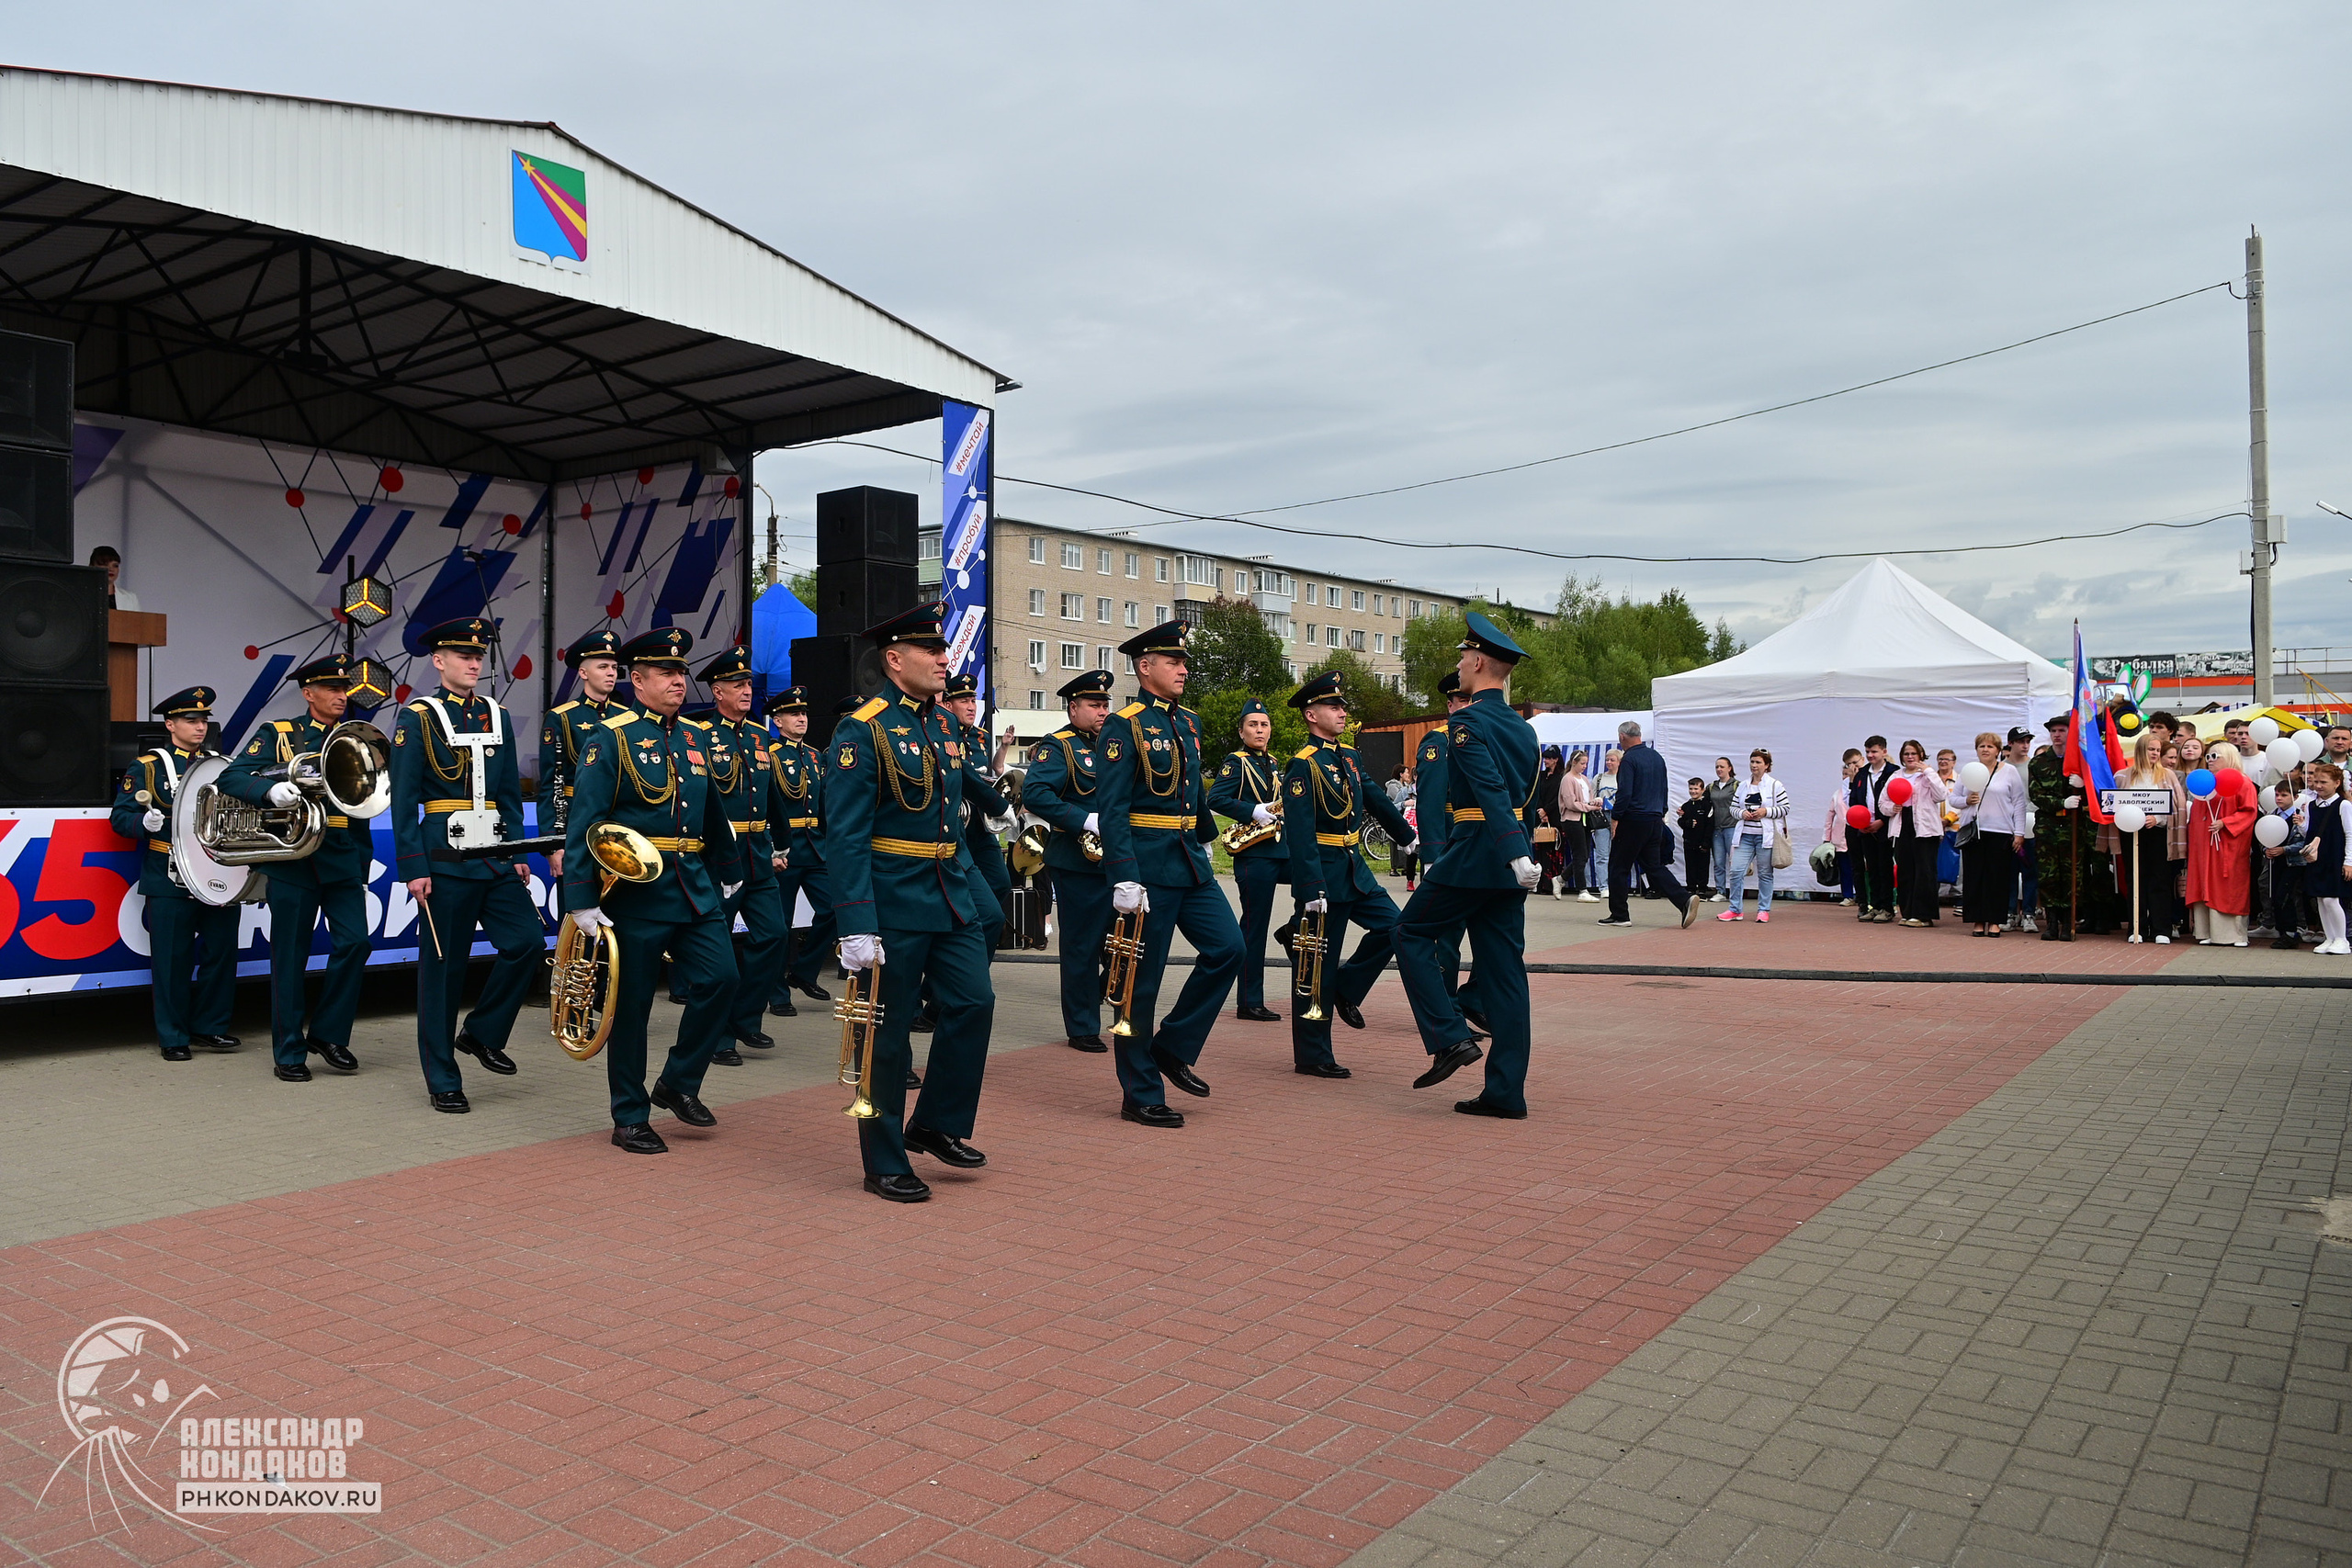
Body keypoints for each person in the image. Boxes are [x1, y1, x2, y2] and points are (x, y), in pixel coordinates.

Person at [820, 604, 999, 1200]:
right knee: (888, 1032)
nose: (946, 659)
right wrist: (855, 922)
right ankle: (884, 1158)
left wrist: (1005, 811)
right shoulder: (862, 729)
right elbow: (843, 834)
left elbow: (958, 799)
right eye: (932, 651)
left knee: (975, 1001)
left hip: (949, 892)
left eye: (945, 650)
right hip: (891, 899)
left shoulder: (946, 726)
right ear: (895, 660)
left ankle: (938, 1122)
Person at [560, 626, 747, 1155]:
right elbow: (585, 821)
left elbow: (711, 809)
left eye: (681, 672)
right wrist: (581, 897)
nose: (678, 681)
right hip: (635, 889)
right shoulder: (611, 737)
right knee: (633, 1008)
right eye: (666, 673)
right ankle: (630, 1116)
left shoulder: (693, 735)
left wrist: (729, 866)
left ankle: (678, 1081)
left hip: (693, 885)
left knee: (723, 980)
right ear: (636, 681)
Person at [1093, 622, 1245, 1129]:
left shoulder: (1191, 722)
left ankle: (1172, 1046)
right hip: (1146, 867)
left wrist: (1209, 834)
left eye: (1184, 661)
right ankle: (1140, 1092)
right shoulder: (1125, 724)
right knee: (1141, 982)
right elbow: (1112, 808)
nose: (1184, 669)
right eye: (1172, 661)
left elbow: (1194, 794)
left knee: (1230, 948)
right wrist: (1123, 876)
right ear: (1144, 668)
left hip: (1188, 859)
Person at [390, 618, 542, 1111]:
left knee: (525, 945)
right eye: (462, 655)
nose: (474, 662)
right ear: (438, 661)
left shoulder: (497, 714)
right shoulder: (419, 717)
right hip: (444, 860)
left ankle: (480, 1033)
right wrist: (413, 865)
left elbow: (508, 795)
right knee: (442, 973)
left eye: (478, 655)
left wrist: (517, 852)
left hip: (494, 859)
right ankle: (443, 1079)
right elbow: (404, 799)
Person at [1393, 612, 1541, 1118]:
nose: (1458, 665)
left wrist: (1512, 849)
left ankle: (1449, 1036)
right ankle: (1505, 1093)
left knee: (1409, 932)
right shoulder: (1523, 729)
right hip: (1506, 860)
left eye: (1461, 657)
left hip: (1478, 850)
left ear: (1478, 662)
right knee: (1505, 975)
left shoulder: (1466, 724)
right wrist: (1521, 851)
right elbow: (1524, 796)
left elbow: (1492, 793)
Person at [220, 653, 372, 1083]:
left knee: (356, 944)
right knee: (290, 959)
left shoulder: (351, 738)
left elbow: (361, 803)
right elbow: (231, 778)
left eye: (344, 689)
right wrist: (271, 791)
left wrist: (361, 864)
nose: (342, 696)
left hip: (341, 855)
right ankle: (289, 1051)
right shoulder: (280, 733)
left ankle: (327, 1034)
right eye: (332, 689)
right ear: (309, 694)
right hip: (294, 859)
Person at [1281, 671, 1416, 1079]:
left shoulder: (1350, 757)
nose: (1342, 713)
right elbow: (1300, 835)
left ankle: (1345, 989)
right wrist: (1309, 888)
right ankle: (1312, 1053)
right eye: (1333, 706)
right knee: (1316, 962)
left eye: (1342, 706)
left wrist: (1407, 836)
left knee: (1397, 927)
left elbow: (1374, 797)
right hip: (1323, 873)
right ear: (1311, 714)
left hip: (1355, 868)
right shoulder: (1302, 765)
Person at [113, 685, 240, 1061]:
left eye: (204, 720)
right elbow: (119, 818)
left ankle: (211, 1028)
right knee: (172, 959)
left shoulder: (223, 765)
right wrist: (144, 823)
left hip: (218, 868)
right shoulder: (149, 766)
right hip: (168, 870)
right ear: (170, 724)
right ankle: (173, 1036)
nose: (200, 727)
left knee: (221, 952)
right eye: (191, 720)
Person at [694, 646, 784, 1062]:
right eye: (737, 685)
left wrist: (780, 844)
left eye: (748, 684)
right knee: (719, 948)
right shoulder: (698, 735)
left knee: (774, 936)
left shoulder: (760, 737)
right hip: (719, 858)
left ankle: (745, 1019)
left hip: (757, 855)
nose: (746, 691)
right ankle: (718, 1037)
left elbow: (773, 797)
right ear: (717, 691)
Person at [1022, 669, 1115, 1051]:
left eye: (1106, 704)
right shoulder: (1057, 746)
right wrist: (1084, 819)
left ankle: (1096, 992)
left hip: (1117, 857)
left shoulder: (1113, 743)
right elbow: (1036, 794)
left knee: (1125, 939)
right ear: (1073, 707)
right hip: (1077, 859)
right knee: (1082, 944)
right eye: (1094, 704)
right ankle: (1082, 1027)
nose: (1103, 711)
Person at [1208, 697, 1288, 1022]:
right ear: (1242, 732)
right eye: (1253, 725)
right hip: (1254, 854)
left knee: (1319, 888)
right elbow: (1216, 798)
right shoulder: (1236, 761)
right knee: (1255, 927)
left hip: (1281, 850)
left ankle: (1292, 931)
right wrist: (1253, 811)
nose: (1259, 730)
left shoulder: (1274, 762)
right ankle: (1250, 1000)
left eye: (1264, 724)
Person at [760, 687, 833, 1018]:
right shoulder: (770, 754)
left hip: (816, 846)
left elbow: (822, 805)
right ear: (778, 720)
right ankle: (777, 994)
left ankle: (803, 973)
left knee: (835, 909)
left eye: (803, 714)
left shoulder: (815, 756)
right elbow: (763, 806)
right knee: (781, 925)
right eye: (794, 714)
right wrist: (770, 846)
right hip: (784, 848)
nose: (802, 719)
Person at [537, 629, 628, 882]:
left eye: (614, 667)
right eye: (603, 667)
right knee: (576, 911)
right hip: (576, 823)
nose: (611, 672)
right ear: (583, 673)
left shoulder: (627, 716)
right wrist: (552, 843)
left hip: (620, 824)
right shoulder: (561, 717)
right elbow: (549, 785)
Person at [1600, 720, 1697, 929]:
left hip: (1633, 819)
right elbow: (1664, 789)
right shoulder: (1656, 757)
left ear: (1622, 737)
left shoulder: (1629, 760)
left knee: (1618, 866)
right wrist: (1661, 813)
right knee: (1653, 865)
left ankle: (1620, 915)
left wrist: (1615, 817)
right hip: (1654, 819)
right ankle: (1684, 899)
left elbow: (1625, 793)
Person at [2184, 747, 2256, 947]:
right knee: (2204, 883)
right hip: (2204, 846)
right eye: (2208, 757)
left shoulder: (2242, 782)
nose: (2210, 760)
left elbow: (2249, 812)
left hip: (2228, 845)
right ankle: (2208, 932)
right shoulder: (2205, 785)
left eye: (2215, 756)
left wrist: (2226, 822)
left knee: (2228, 885)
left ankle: (2236, 935)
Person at [1960, 731, 2030, 937]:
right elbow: (1953, 799)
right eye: (1981, 746)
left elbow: (2018, 803)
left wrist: (2018, 832)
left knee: (1997, 878)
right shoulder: (1969, 771)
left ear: (1998, 750)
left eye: (1990, 746)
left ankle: (1996, 921)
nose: (1985, 750)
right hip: (1975, 832)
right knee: (1975, 878)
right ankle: (1978, 920)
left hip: (2000, 832)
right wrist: (1966, 801)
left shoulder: (2008, 772)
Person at [1716, 748, 1789, 920]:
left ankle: (1764, 910)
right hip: (1745, 836)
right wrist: (1742, 814)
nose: (1754, 765)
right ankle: (1735, 909)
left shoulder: (1775, 785)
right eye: (1752, 762)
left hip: (1765, 837)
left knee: (1765, 873)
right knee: (1736, 871)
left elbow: (1785, 808)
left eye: (1758, 762)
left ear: (1767, 765)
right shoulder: (1742, 785)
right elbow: (1733, 808)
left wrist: (1766, 811)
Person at [1889, 739, 1949, 927]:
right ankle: (1907, 911)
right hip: (1902, 825)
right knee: (1905, 870)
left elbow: (1941, 795)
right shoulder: (1895, 776)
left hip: (1925, 827)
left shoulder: (1928, 775)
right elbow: (1883, 801)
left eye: (1914, 753)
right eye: (1907, 754)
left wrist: (1929, 772)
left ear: (1921, 755)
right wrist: (1892, 807)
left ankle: (1924, 914)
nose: (1910, 757)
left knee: (1925, 870)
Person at [2299, 761, 2349, 954]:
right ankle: (2330, 937)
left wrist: (2349, 862)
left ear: (2336, 783)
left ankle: (2342, 939)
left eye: (2324, 782)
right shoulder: (2311, 805)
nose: (2318, 786)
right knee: (2320, 899)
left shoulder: (2343, 805)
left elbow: (2350, 834)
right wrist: (2302, 825)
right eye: (2316, 781)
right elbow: (2310, 834)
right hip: (2318, 857)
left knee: (2331, 899)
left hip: (2335, 856)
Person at [1848, 737, 1899, 921]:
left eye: (1874, 752)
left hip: (1884, 828)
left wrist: (1882, 821)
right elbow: (1854, 800)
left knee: (1885, 867)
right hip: (1865, 828)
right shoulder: (1862, 774)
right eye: (1868, 752)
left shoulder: (1893, 772)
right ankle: (1874, 905)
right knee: (1872, 868)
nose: (1871, 755)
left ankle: (1887, 907)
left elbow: (1896, 800)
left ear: (1884, 752)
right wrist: (1861, 824)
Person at [2262, 779, 2312, 949]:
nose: (2279, 798)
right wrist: (2266, 850)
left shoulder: (2300, 816)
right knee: (2274, 895)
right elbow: (2262, 836)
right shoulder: (2271, 815)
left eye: (2284, 795)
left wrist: (2285, 849)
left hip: (2293, 863)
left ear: (2295, 797)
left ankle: (2292, 931)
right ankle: (2282, 930)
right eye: (2277, 795)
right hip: (2276, 862)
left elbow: (2305, 841)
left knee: (2286, 895)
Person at [1556, 748, 1597, 901]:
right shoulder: (1567, 779)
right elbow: (1570, 803)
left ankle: (1561, 879)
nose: (1584, 766)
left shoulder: (1584, 779)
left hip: (1584, 819)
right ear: (1574, 762)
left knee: (1584, 855)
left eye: (1586, 763)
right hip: (1572, 820)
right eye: (1582, 763)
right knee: (1580, 854)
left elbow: (1589, 796)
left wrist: (1594, 803)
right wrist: (1589, 806)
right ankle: (1582, 890)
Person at [1824, 749, 1862, 906]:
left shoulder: (1861, 788)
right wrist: (1826, 838)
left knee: (1860, 867)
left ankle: (1862, 896)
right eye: (1844, 775)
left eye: (1848, 774)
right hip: (1840, 836)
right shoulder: (1837, 794)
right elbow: (1830, 816)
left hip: (1859, 832)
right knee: (1845, 868)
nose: (1846, 777)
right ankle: (1848, 895)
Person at [1532, 748, 1567, 896]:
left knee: (1554, 851)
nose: (1545, 761)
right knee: (1541, 851)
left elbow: (1559, 797)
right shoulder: (1541, 775)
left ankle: (1552, 884)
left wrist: (1547, 810)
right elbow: (1535, 792)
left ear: (1556, 759)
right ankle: (1540, 884)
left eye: (1548, 758)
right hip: (1540, 816)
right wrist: (1540, 809)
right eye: (1544, 758)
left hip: (1555, 817)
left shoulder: (1561, 776)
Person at [1703, 758, 1739, 901]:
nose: (1719, 769)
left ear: (1729, 768)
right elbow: (1702, 803)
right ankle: (1721, 891)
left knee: (1735, 862)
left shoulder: (1737, 785)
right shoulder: (1711, 787)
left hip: (1732, 827)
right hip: (1717, 829)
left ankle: (1736, 891)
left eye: (1722, 767)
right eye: (1717, 766)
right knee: (1718, 862)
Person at [1678, 779, 1713, 899]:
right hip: (1689, 842)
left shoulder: (1707, 805)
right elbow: (1680, 821)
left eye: (1696, 789)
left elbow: (1710, 824)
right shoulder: (1685, 806)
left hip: (1703, 842)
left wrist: (1706, 842)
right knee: (1690, 865)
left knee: (1703, 866)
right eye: (1691, 789)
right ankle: (1691, 888)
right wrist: (1687, 823)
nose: (1693, 791)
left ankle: (1702, 889)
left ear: (1702, 790)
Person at [1591, 749, 1619, 890]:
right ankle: (1604, 886)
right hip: (1602, 816)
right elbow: (1591, 796)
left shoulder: (1623, 777)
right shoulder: (1599, 778)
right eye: (1607, 760)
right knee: (1602, 853)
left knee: (1619, 852)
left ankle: (1617, 885)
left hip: (1619, 817)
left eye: (1612, 760)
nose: (1609, 762)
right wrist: (1595, 802)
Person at [89, 544, 138, 610]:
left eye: (115, 565)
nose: (111, 569)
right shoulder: (81, 595)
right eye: (105, 564)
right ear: (91, 567)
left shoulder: (131, 598)